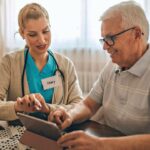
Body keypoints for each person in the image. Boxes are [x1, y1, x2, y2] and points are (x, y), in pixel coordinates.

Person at [49, 1, 150, 150]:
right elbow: (88, 105)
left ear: (136, 34)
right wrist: (70, 115)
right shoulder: (112, 65)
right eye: (103, 39)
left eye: (110, 38)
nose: (104, 47)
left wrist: (100, 144)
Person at [0, 3, 82, 122]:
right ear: (22, 33)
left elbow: (79, 106)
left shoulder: (65, 65)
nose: (42, 40)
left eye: (45, 31)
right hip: (19, 131)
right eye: (33, 34)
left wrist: (49, 109)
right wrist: (17, 107)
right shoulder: (9, 62)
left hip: (55, 132)